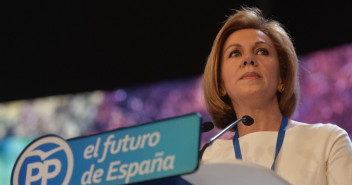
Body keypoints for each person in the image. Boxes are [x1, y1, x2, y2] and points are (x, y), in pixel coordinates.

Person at [201, 7, 352, 185]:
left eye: (262, 51)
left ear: (282, 77)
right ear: (221, 85)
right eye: (235, 53)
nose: (248, 59)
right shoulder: (208, 161)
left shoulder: (327, 141)